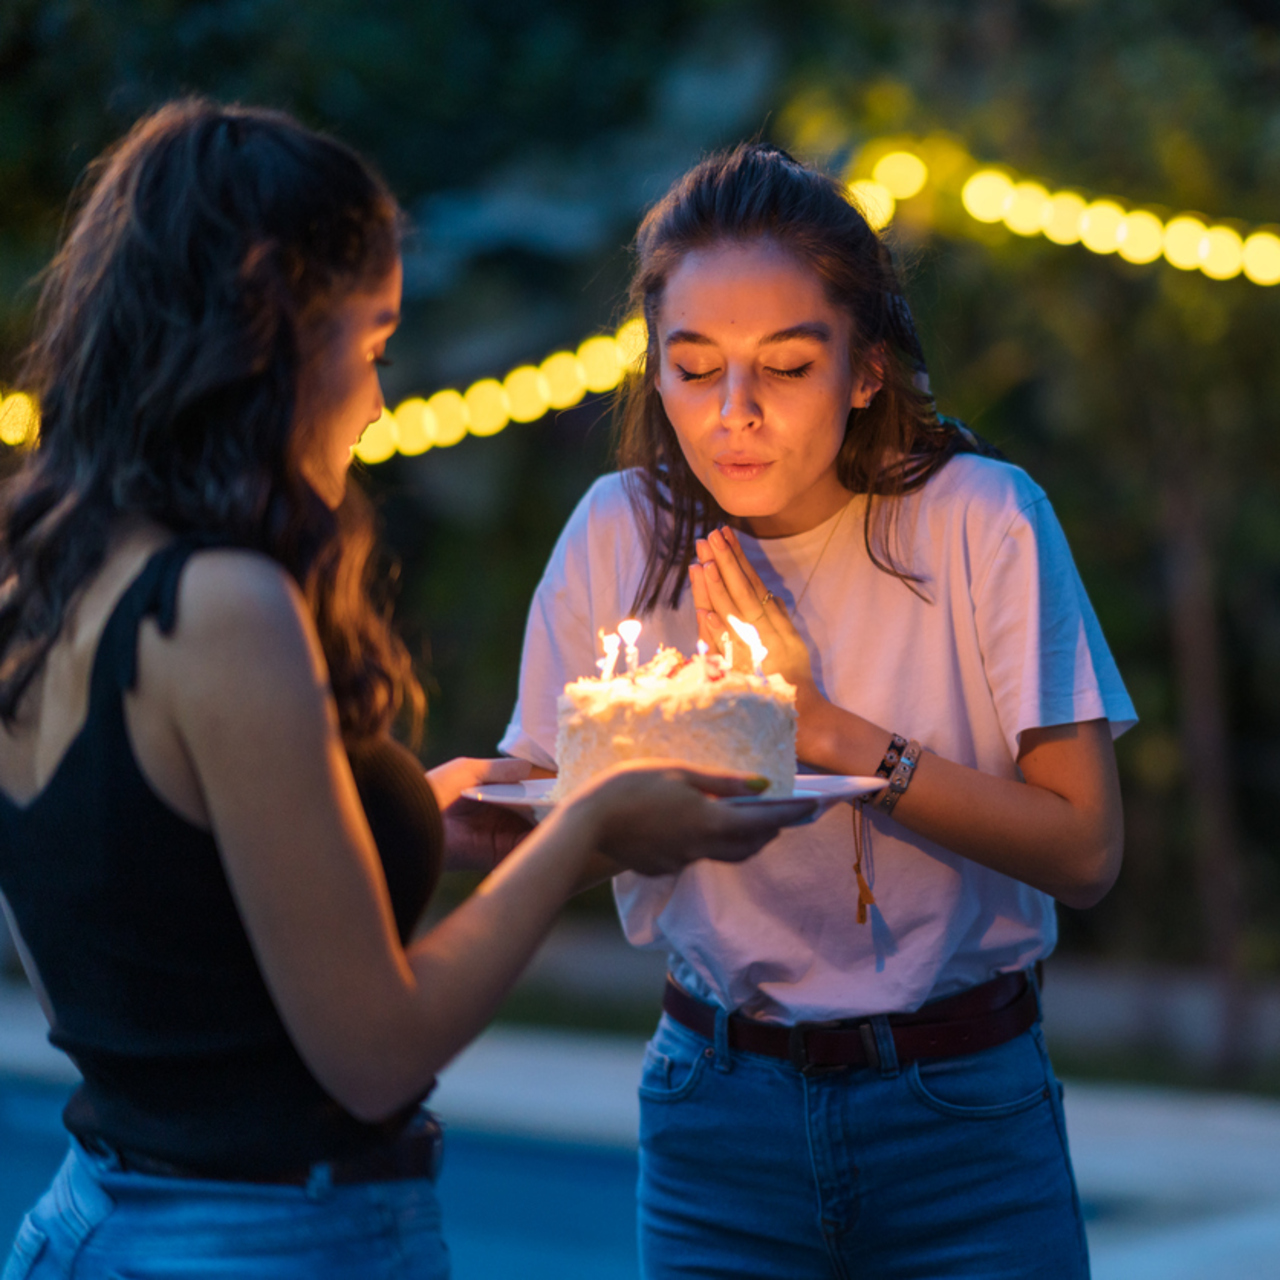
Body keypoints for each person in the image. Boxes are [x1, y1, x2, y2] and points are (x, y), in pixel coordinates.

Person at [0, 103, 816, 1280]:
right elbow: (375, 1053)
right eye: (371, 341)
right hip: (261, 1235)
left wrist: (394, 820)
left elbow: (126, 902)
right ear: (268, 317)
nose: (379, 400)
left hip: (96, 1213)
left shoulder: (46, 563)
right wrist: (586, 826)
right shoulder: (220, 603)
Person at [501, 142, 1137, 1279]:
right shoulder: (620, 532)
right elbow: (532, 787)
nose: (732, 414)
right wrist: (419, 803)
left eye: (784, 368)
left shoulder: (978, 523)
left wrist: (822, 727)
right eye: (692, 369)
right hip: (715, 1106)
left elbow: (1082, 848)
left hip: (961, 1110)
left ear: (863, 368)